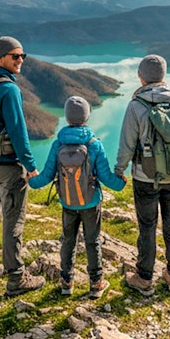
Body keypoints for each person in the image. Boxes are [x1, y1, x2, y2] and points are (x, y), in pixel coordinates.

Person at [29, 96, 126, 298]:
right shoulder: (94, 144)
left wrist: (31, 180)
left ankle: (67, 283)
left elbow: (47, 175)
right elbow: (106, 176)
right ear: (87, 117)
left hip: (68, 203)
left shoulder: (58, 145)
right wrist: (121, 183)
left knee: (68, 241)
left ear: (66, 117)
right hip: (91, 203)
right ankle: (96, 283)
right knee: (93, 242)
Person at [114, 54, 170, 296]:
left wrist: (119, 170)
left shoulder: (136, 105)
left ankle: (144, 278)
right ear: (163, 76)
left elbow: (127, 144)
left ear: (141, 77)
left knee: (147, 226)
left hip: (145, 177)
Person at [0, 36, 44, 297]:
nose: (20, 61)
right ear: (1, 57)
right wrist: (31, 166)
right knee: (13, 221)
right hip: (7, 166)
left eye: (22, 56)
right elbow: (18, 132)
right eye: (15, 56)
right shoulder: (9, 90)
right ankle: (16, 278)